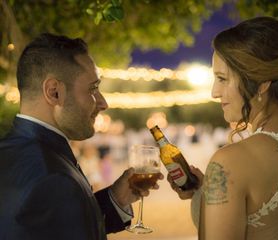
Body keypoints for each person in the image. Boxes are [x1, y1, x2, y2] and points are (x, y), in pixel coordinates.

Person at [168, 16, 278, 239]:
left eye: (222, 79)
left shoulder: (230, 162)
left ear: (261, 83)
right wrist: (205, 191)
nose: (214, 92)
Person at [0, 33, 162, 240]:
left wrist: (115, 199)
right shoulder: (54, 177)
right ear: (54, 92)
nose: (103, 103)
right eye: (93, 88)